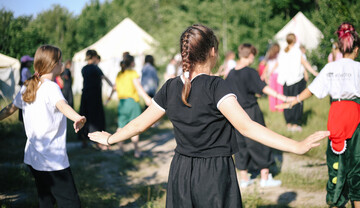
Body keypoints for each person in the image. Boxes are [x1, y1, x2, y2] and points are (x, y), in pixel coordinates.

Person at [88, 24, 329, 208]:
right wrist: (296, 146)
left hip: (180, 172)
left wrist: (111, 139)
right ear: (212, 51)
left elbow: (140, 124)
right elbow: (247, 127)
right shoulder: (217, 87)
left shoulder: (170, 86)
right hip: (214, 174)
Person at [277, 22, 360, 208]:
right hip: (355, 115)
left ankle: (336, 199)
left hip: (337, 116)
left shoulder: (330, 68)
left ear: (339, 48)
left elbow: (312, 90)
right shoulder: (358, 68)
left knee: (337, 162)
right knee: (357, 162)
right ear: (356, 50)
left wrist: (293, 101)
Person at [0, 45, 86, 208]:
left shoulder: (28, 85)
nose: (62, 64)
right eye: (60, 61)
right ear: (53, 65)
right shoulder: (51, 87)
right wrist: (77, 117)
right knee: (70, 202)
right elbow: (62, 106)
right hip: (53, 160)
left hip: (34, 158)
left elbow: (10, 108)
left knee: (45, 199)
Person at [226, 43, 292, 188]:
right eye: (253, 57)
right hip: (251, 111)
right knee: (260, 141)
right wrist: (284, 98)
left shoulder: (230, 73)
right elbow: (264, 88)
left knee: (240, 144)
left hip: (236, 112)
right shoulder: (250, 72)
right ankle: (265, 177)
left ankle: (244, 179)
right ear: (250, 55)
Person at [108, 54, 152, 158]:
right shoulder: (132, 73)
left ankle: (120, 150)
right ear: (132, 63)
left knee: (121, 126)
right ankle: (136, 151)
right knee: (135, 126)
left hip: (122, 103)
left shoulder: (119, 74)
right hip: (132, 103)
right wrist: (147, 98)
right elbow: (138, 87)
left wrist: (108, 98)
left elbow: (115, 87)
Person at [276, 33, 319, 132]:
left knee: (286, 100)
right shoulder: (296, 51)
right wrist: (314, 72)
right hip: (295, 80)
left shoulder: (283, 51)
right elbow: (304, 63)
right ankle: (295, 123)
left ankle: (288, 123)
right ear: (294, 40)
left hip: (285, 81)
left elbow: (279, 64)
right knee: (297, 100)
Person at [78, 49, 113, 150]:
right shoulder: (95, 68)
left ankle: (84, 140)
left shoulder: (83, 69)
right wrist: (112, 85)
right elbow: (104, 78)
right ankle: (99, 142)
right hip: (95, 97)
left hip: (85, 96)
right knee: (96, 119)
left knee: (84, 117)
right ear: (94, 57)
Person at [261, 43, 283, 112]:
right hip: (278, 74)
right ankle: (280, 108)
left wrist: (266, 74)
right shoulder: (279, 55)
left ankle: (273, 108)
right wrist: (266, 74)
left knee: (272, 92)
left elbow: (267, 65)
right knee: (279, 92)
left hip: (272, 75)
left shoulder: (269, 55)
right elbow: (277, 64)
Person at [18, 55, 34, 123]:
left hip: (22, 89)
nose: (31, 63)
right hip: (26, 90)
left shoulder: (22, 69)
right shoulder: (26, 70)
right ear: (26, 63)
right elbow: (28, 80)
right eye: (29, 62)